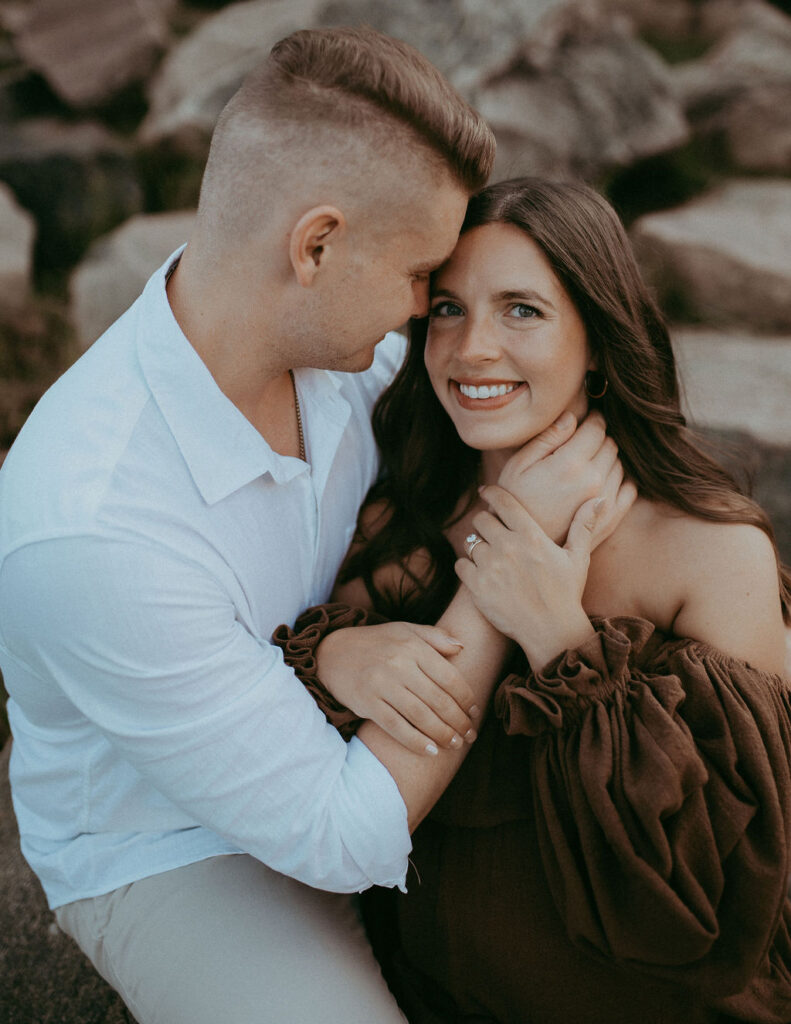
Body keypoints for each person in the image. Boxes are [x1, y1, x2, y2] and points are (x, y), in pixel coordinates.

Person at [0, 27, 633, 1024]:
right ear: (316, 246)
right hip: (176, 845)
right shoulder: (91, 526)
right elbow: (340, 830)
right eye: (423, 275)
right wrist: (500, 573)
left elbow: (529, 412)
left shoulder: (348, 355)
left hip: (355, 720)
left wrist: (334, 654)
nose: (433, 310)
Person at [275, 177, 791, 1024]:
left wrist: (562, 643)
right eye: (447, 308)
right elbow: (291, 782)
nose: (472, 347)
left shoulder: (710, 554)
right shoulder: (397, 523)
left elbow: (732, 885)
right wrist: (331, 654)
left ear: (597, 341)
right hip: (435, 998)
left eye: (521, 310)